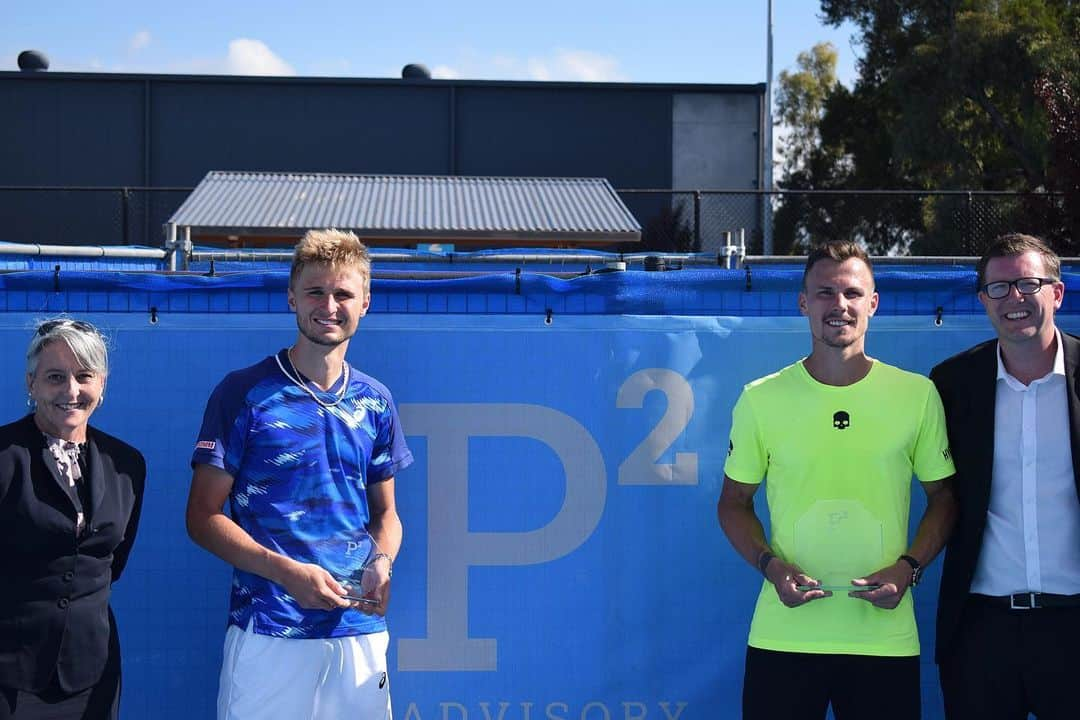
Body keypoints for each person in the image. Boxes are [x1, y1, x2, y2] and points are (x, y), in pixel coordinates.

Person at [717, 240, 957, 720]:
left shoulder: (917, 395)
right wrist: (770, 566)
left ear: (873, 303)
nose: (839, 305)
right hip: (784, 634)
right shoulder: (760, 398)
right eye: (825, 293)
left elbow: (944, 498)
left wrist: (908, 567)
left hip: (883, 642)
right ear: (804, 302)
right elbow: (733, 503)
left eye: (852, 292)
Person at [187, 229, 413, 720]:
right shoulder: (243, 393)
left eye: (343, 293)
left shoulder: (376, 401)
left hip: (357, 631)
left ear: (365, 302)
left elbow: (387, 515)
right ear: (292, 295)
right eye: (315, 291)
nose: (328, 305)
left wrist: (382, 563)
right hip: (269, 627)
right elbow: (202, 517)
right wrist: (286, 573)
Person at [930, 233, 1080, 719]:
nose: (1013, 298)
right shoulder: (951, 384)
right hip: (981, 634)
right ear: (982, 301)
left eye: (1027, 284)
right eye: (999, 288)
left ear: (1056, 293)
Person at [0, 318, 146, 720]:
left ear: (102, 383)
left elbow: (111, 564)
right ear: (31, 384)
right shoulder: (4, 457)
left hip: (92, 673)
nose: (71, 390)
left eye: (84, 376)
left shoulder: (127, 465)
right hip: (9, 675)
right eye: (55, 377)